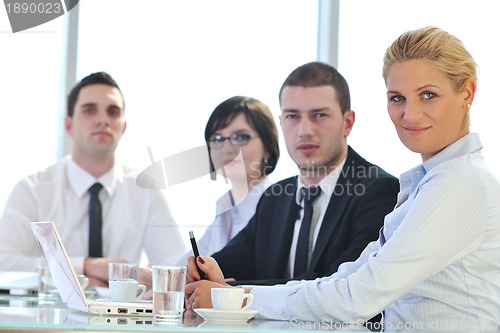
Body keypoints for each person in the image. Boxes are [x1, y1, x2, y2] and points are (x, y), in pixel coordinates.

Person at [186, 27, 500, 332]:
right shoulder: (429, 183)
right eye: (397, 98)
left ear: (467, 93)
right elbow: (345, 280)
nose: (410, 114)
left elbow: (355, 298)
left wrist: (235, 298)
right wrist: (229, 294)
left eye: (428, 95)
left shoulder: (459, 183)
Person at [195, 61, 399, 286]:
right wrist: (197, 273)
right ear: (281, 122)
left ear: (347, 123)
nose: (304, 131)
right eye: (292, 116)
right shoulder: (275, 197)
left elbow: (339, 286)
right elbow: (225, 264)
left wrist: (232, 290)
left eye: (319, 115)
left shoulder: (379, 191)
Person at [0, 72, 185, 288]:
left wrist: (150, 279)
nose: (103, 120)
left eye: (112, 112)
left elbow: (175, 271)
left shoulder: (145, 191)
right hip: (47, 317)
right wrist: (84, 267)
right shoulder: (32, 190)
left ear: (122, 128)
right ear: (68, 125)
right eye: (90, 110)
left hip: (122, 320)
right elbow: (3, 263)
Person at [177, 96, 279, 264]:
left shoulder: (281, 209)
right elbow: (183, 268)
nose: (227, 148)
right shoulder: (225, 209)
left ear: (267, 147)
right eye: (217, 139)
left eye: (240, 137)